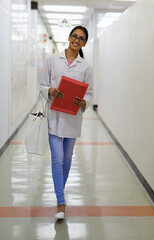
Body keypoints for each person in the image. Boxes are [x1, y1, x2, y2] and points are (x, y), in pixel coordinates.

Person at [40, 26, 93, 219]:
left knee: (67, 159)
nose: (77, 40)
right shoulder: (53, 60)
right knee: (57, 159)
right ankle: (61, 202)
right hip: (54, 118)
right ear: (69, 37)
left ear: (84, 43)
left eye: (81, 38)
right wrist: (50, 91)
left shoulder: (86, 67)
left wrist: (84, 101)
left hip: (72, 119)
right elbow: (42, 85)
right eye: (74, 36)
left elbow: (90, 93)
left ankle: (58, 191)